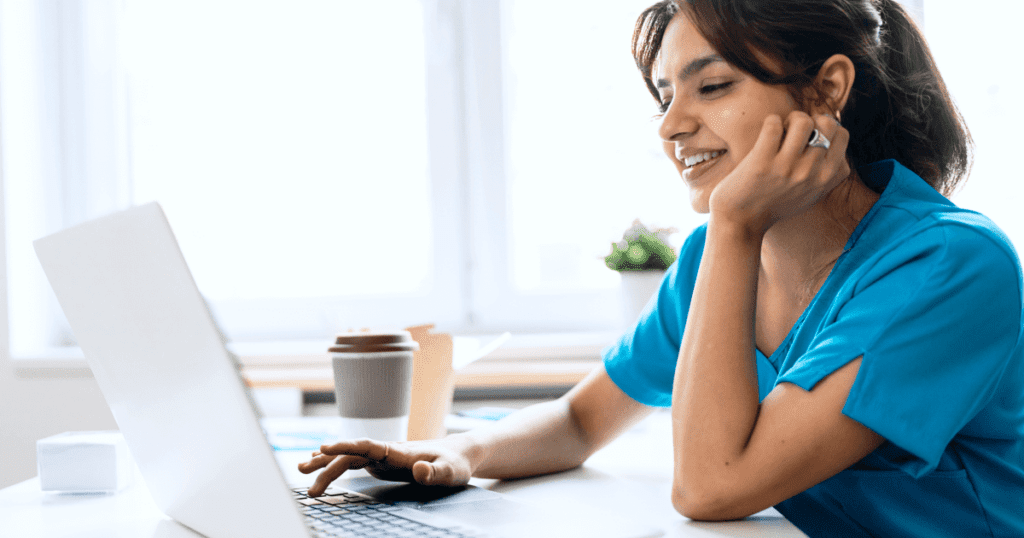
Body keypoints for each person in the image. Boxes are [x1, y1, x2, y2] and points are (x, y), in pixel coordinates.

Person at [300, 0, 1024, 535]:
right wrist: (452, 454)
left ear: (827, 91)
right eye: (665, 95)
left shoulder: (949, 266)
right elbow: (583, 419)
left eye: (711, 88)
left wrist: (735, 223)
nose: (671, 125)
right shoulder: (715, 260)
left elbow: (711, 487)